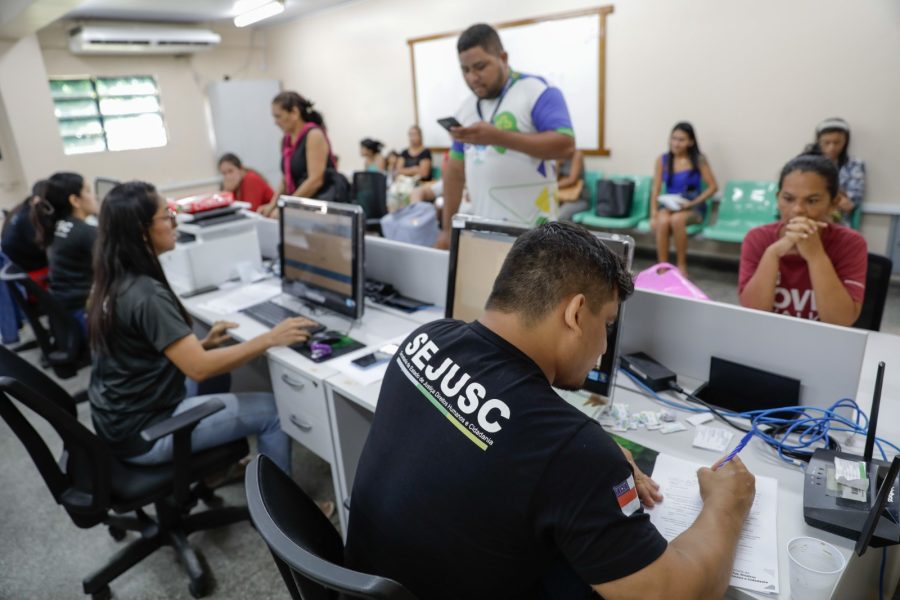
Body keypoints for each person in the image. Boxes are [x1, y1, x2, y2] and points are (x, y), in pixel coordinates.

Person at [346, 222, 756, 599]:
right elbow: (676, 593)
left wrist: (592, 458)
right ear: (575, 314)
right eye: (607, 324)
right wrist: (727, 502)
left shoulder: (427, 339)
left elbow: (491, 446)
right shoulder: (570, 450)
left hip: (363, 584)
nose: (603, 347)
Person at [87, 181, 315, 475]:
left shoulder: (113, 279)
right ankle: (279, 503)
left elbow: (138, 352)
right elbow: (199, 369)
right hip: (147, 432)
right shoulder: (146, 294)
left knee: (220, 378)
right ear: (142, 232)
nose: (175, 223)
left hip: (119, 420)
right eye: (167, 216)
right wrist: (269, 338)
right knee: (274, 411)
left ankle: (215, 473)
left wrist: (201, 345)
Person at [437, 24, 576, 248]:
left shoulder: (537, 91)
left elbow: (565, 146)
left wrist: (497, 137)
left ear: (503, 57)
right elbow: (454, 171)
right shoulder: (466, 109)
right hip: (485, 234)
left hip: (536, 235)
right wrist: (446, 230)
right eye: (465, 70)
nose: (473, 77)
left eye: (480, 67)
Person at [739, 154, 867, 326]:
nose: (798, 209)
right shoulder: (757, 238)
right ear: (777, 198)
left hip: (822, 339)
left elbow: (841, 321)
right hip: (770, 335)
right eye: (788, 199)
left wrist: (816, 256)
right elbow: (751, 314)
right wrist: (772, 253)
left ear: (833, 203)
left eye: (812, 200)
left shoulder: (850, 243)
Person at [257, 91, 343, 217]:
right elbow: (286, 178)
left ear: (294, 113)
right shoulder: (286, 140)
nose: (275, 122)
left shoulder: (314, 135)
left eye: (278, 116)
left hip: (320, 207)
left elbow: (316, 180)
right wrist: (272, 205)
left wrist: (286, 206)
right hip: (300, 204)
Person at [649, 122, 718, 277]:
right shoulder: (662, 160)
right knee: (662, 220)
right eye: (674, 138)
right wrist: (653, 213)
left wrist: (692, 203)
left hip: (693, 206)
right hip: (670, 204)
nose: (676, 143)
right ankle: (662, 267)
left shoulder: (699, 160)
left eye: (681, 140)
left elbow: (713, 187)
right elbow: (656, 188)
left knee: (677, 219)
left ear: (690, 142)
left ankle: (681, 266)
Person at [32, 172, 98, 329]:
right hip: (82, 312)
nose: (94, 196)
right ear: (75, 200)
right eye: (88, 191)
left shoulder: (56, 225)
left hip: (64, 310)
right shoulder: (85, 232)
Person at [804, 117, 865, 226]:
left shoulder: (854, 165)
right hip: (807, 216)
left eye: (837, 143)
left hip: (838, 221)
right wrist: (836, 197)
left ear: (845, 142)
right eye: (826, 142)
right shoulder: (807, 162)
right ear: (818, 141)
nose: (832, 147)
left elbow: (849, 204)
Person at [1, 183, 49, 276]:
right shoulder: (29, 218)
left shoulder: (20, 208)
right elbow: (44, 247)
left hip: (11, 266)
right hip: (29, 271)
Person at [557, 149, 589, 221]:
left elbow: (572, 180)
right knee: (543, 212)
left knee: (559, 217)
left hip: (578, 199)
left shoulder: (577, 155)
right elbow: (553, 178)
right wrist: (558, 161)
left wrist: (553, 186)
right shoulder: (558, 156)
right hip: (561, 198)